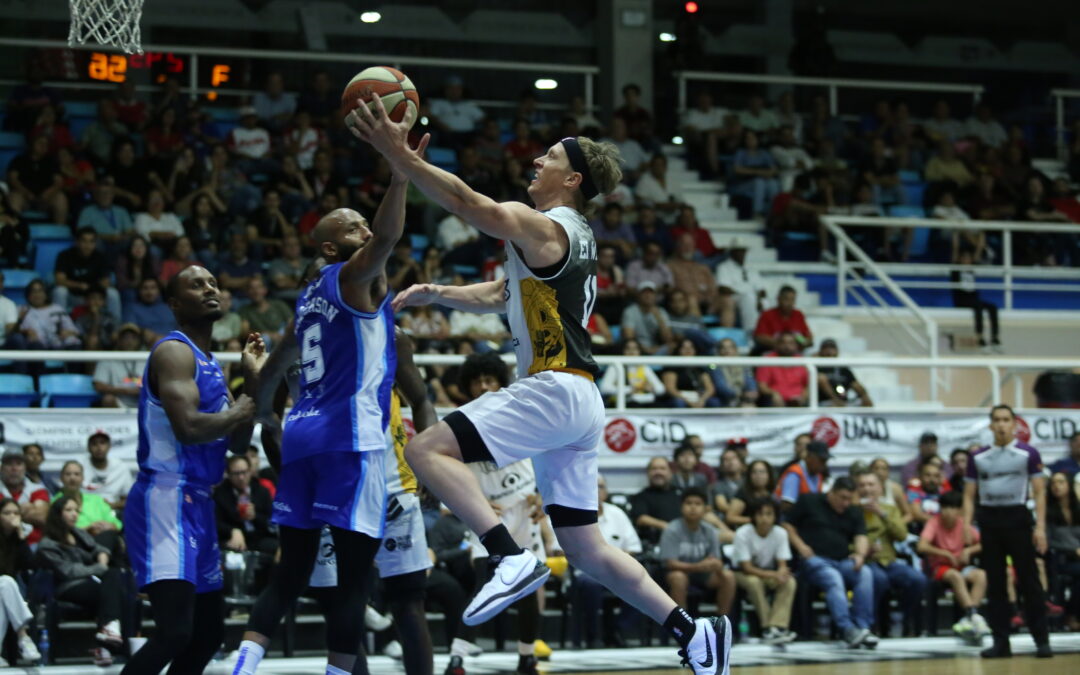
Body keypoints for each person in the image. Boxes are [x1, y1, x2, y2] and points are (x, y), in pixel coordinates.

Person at [360, 98, 730, 674]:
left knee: (425, 449)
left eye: (550, 156)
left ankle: (508, 557)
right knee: (585, 547)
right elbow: (507, 293)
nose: (536, 159)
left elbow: (466, 202)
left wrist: (399, 156)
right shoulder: (571, 236)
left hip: (553, 388)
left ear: (573, 178)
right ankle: (694, 631)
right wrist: (440, 292)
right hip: (580, 401)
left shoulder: (545, 223)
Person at [231, 133, 424, 675]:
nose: (365, 230)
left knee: (290, 572)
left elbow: (270, 376)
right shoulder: (349, 278)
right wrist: (401, 175)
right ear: (332, 250)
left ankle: (242, 666)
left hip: (302, 439)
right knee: (354, 581)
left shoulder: (307, 301)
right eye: (353, 227)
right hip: (350, 441)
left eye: (364, 222)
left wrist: (259, 406)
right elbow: (389, 235)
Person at [119, 266, 263, 675]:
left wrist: (251, 383)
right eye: (196, 285)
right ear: (175, 304)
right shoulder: (174, 352)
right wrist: (239, 408)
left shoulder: (211, 363)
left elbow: (236, 444)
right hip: (165, 497)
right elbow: (188, 428)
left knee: (207, 634)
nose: (210, 288)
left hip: (198, 502)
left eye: (213, 282)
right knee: (174, 632)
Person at [458, 352, 550, 675]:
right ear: (468, 387)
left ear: (500, 382)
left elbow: (547, 456)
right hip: (486, 513)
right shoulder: (461, 420)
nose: (483, 386)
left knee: (528, 588)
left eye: (489, 380)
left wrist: (544, 495)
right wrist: (469, 500)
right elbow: (448, 469)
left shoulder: (522, 414)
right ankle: (458, 656)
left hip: (523, 509)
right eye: (477, 381)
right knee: (484, 581)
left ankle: (527, 657)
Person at [963, 404, 1052, 658]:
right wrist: (968, 525)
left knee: (1029, 581)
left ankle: (1041, 640)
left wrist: (1041, 527)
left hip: (1018, 518)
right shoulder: (977, 457)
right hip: (990, 519)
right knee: (996, 585)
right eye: (997, 420)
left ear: (1014, 424)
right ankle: (1001, 641)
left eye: (1005, 420)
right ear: (990, 425)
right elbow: (969, 495)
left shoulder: (1028, 454)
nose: (1001, 425)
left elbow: (1039, 492)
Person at [783, 477, 879, 648]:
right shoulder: (809, 501)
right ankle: (846, 629)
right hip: (815, 560)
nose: (846, 503)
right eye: (842, 497)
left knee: (865, 573)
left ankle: (863, 627)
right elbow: (787, 524)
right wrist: (800, 546)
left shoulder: (854, 510)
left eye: (850, 498)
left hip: (842, 560)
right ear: (831, 493)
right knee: (833, 578)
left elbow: (861, 536)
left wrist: (859, 554)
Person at [37, 496, 126, 666]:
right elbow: (68, 571)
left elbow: (98, 548)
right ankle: (109, 642)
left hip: (91, 582)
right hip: (68, 586)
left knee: (114, 581)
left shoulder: (79, 533)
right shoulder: (48, 544)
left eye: (76, 511)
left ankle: (109, 634)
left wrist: (102, 558)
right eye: (69, 510)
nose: (74, 515)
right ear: (57, 514)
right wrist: (100, 568)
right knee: (111, 587)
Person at [575, 474, 642, 648]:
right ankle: (593, 635)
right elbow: (559, 549)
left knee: (638, 578)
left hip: (616, 570)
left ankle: (616, 629)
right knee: (590, 584)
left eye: (600, 487)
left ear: (606, 492)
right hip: (585, 572)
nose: (596, 491)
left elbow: (634, 547)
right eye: (592, 486)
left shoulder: (617, 514)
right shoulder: (572, 514)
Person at [856, 471, 926, 635]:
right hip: (866, 562)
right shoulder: (852, 511)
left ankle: (905, 621)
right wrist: (864, 551)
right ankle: (873, 626)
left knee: (918, 580)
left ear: (880, 488)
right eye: (862, 485)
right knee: (879, 580)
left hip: (889, 561)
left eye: (871, 484)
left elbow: (901, 535)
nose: (867, 489)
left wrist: (882, 514)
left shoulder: (890, 509)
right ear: (857, 489)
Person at [917, 491, 990, 638]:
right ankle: (973, 616)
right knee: (956, 576)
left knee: (981, 575)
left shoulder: (963, 524)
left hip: (962, 566)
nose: (948, 512)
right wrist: (944, 553)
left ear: (959, 510)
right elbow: (921, 546)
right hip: (941, 568)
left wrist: (969, 550)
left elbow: (985, 544)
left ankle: (970, 617)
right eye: (945, 507)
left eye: (952, 508)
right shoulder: (934, 522)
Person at [660, 488, 736, 617]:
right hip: (678, 573)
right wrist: (698, 566)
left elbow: (716, 560)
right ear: (681, 507)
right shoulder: (672, 529)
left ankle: (721, 623)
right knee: (678, 577)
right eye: (689, 503)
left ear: (706, 509)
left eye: (698, 504)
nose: (693, 508)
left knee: (728, 576)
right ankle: (682, 626)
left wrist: (715, 564)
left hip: (702, 574)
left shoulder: (710, 530)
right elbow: (670, 563)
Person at [732, 497, 797, 644]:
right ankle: (768, 627)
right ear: (754, 516)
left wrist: (781, 573)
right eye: (760, 514)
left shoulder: (780, 533)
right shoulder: (743, 533)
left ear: (775, 516)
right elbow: (746, 568)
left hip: (767, 572)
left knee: (789, 582)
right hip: (741, 573)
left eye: (769, 514)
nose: (764, 518)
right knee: (754, 582)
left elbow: (782, 563)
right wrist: (775, 574)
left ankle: (778, 626)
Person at [0, 498, 40, 665]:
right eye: (7, 513)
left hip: (4, 592)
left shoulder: (17, 540)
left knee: (5, 587)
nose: (12, 517)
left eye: (16, 513)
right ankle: (23, 636)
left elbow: (30, 565)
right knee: (6, 582)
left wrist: (21, 537)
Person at [214, 455, 277, 556]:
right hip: (233, 537)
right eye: (236, 473)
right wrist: (232, 530)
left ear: (250, 471)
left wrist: (255, 516)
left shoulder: (262, 491)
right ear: (229, 474)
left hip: (259, 537)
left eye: (244, 472)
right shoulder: (220, 493)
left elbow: (271, 522)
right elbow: (216, 522)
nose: (241, 477)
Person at [1046, 471, 1080, 631]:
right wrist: (1074, 550)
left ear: (1069, 485)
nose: (1056, 486)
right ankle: (1070, 615)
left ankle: (1071, 613)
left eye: (1061, 482)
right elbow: (1048, 541)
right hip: (1060, 558)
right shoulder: (1047, 512)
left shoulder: (1077, 509)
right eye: (1053, 483)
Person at [951, 247, 1000, 350]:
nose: (966, 260)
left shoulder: (971, 271)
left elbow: (976, 256)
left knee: (993, 307)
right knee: (978, 307)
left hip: (973, 300)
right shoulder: (955, 271)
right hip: (961, 300)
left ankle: (995, 337)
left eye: (968, 258)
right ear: (960, 260)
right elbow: (954, 254)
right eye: (964, 258)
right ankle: (980, 337)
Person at [0, 449, 49, 544]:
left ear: (25, 468)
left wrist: (6, 513)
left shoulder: (37, 489)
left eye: (18, 464)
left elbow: (42, 517)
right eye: (9, 464)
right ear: (1, 468)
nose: (14, 469)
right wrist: (28, 508)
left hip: (33, 544)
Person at [92, 323, 144, 408]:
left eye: (133, 338)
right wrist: (125, 391)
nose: (129, 341)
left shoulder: (145, 358)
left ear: (139, 341)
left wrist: (143, 391)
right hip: (118, 402)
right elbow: (98, 385)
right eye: (126, 337)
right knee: (108, 399)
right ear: (119, 340)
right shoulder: (108, 359)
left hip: (144, 402)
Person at [83, 431, 135, 510]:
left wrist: (113, 505)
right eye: (94, 444)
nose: (99, 447)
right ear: (88, 448)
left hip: (112, 510)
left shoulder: (120, 467)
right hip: (84, 510)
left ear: (109, 446)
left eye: (102, 443)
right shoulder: (79, 467)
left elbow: (128, 499)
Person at [755, 331, 810, 407]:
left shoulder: (802, 361)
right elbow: (762, 386)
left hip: (798, 401)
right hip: (775, 400)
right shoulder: (767, 360)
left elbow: (807, 385)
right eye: (783, 343)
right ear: (777, 344)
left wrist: (804, 396)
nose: (787, 346)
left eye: (791, 343)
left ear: (796, 346)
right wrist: (773, 393)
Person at [753, 286, 812, 353]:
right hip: (771, 353)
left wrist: (802, 342)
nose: (789, 303)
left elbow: (808, 338)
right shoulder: (767, 315)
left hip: (795, 354)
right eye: (786, 299)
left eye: (792, 300)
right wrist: (782, 343)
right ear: (778, 299)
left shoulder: (798, 315)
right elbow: (759, 337)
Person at [620, 281, 674, 354]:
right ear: (638, 295)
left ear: (655, 296)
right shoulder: (630, 311)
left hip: (656, 349)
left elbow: (668, 339)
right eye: (644, 292)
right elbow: (629, 337)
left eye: (651, 293)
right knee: (631, 346)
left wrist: (659, 318)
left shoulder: (661, 312)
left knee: (673, 345)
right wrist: (646, 349)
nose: (648, 295)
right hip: (637, 350)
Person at [774, 440, 829, 512]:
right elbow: (786, 506)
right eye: (821, 460)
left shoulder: (818, 474)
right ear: (809, 456)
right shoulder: (794, 474)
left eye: (825, 461)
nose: (824, 465)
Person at [817, 339, 873, 406]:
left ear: (837, 351)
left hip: (843, 401)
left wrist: (864, 396)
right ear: (820, 351)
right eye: (826, 348)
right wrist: (835, 400)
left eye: (832, 348)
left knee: (863, 396)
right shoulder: (816, 367)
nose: (829, 351)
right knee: (822, 379)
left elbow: (855, 384)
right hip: (825, 402)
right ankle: (837, 401)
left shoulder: (843, 369)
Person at [123, 278, 177, 345]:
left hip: (174, 344)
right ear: (139, 291)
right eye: (145, 288)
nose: (149, 292)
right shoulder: (132, 308)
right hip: (145, 346)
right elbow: (130, 328)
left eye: (153, 288)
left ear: (159, 291)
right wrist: (143, 331)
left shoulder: (169, 308)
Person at [724, 460, 777, 528]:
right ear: (749, 476)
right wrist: (754, 520)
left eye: (762, 472)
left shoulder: (773, 493)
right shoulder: (743, 493)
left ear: (769, 475)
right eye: (754, 472)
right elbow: (730, 517)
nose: (758, 475)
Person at [907, 457, 949, 528]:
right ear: (920, 477)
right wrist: (941, 523)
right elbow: (917, 514)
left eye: (936, 476)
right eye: (928, 475)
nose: (932, 479)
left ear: (940, 478)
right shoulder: (914, 492)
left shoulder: (946, 493)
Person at [711, 447, 744, 515]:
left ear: (741, 462)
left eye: (733, 458)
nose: (730, 461)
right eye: (726, 459)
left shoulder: (749, 482)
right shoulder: (718, 485)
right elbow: (722, 506)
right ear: (722, 465)